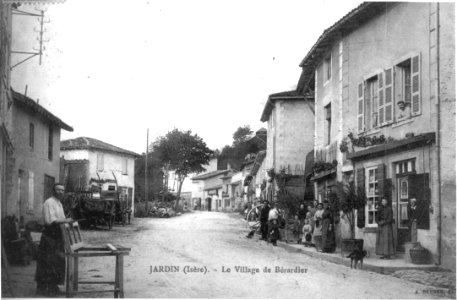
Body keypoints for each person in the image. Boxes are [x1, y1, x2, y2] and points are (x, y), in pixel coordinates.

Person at [36, 184, 73, 296]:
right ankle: (44, 288)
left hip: (58, 235)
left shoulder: (59, 203)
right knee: (48, 262)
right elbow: (49, 221)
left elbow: (61, 219)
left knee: (57, 261)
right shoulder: (49, 202)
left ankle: (53, 286)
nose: (60, 192)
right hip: (50, 235)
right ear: (53, 191)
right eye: (58, 190)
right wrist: (66, 220)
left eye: (62, 190)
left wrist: (66, 222)